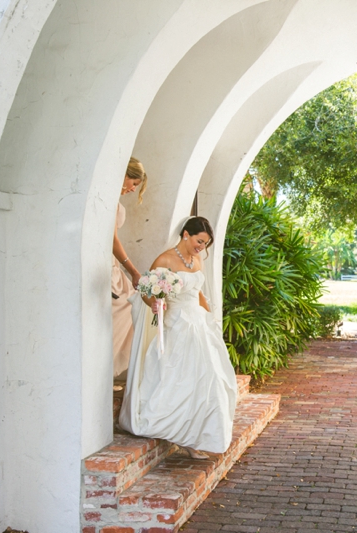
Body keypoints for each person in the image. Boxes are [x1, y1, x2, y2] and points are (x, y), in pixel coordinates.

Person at [118, 216, 238, 458]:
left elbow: (198, 292)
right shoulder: (164, 260)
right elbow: (146, 290)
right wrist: (154, 304)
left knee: (212, 379)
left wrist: (210, 318)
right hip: (177, 325)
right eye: (199, 241)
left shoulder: (197, 260)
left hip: (199, 324)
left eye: (205, 244)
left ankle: (198, 436)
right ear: (186, 234)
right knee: (180, 380)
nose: (201, 247)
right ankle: (187, 440)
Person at [112, 157, 147, 378]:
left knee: (133, 306)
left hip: (113, 266)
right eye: (133, 183)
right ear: (123, 175)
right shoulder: (110, 204)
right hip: (110, 266)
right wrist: (133, 271)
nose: (133, 189)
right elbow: (113, 241)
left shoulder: (115, 204)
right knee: (126, 306)